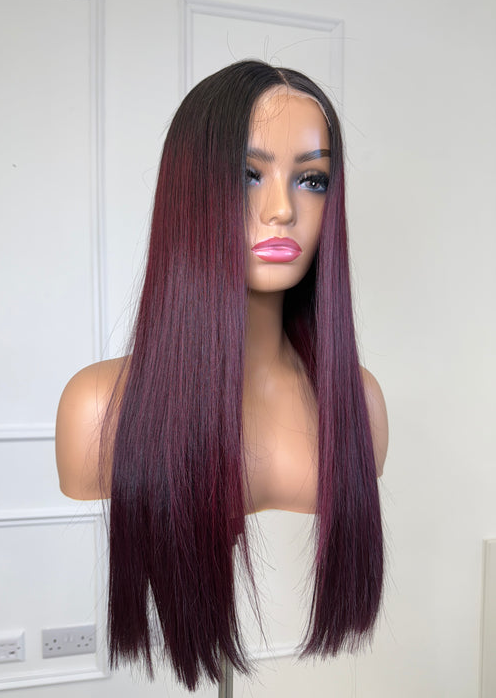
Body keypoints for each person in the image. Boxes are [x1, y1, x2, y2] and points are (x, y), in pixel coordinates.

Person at [55, 60, 388, 691]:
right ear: (191, 192)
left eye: (312, 179)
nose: (281, 209)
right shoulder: (97, 407)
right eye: (247, 174)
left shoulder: (357, 404)